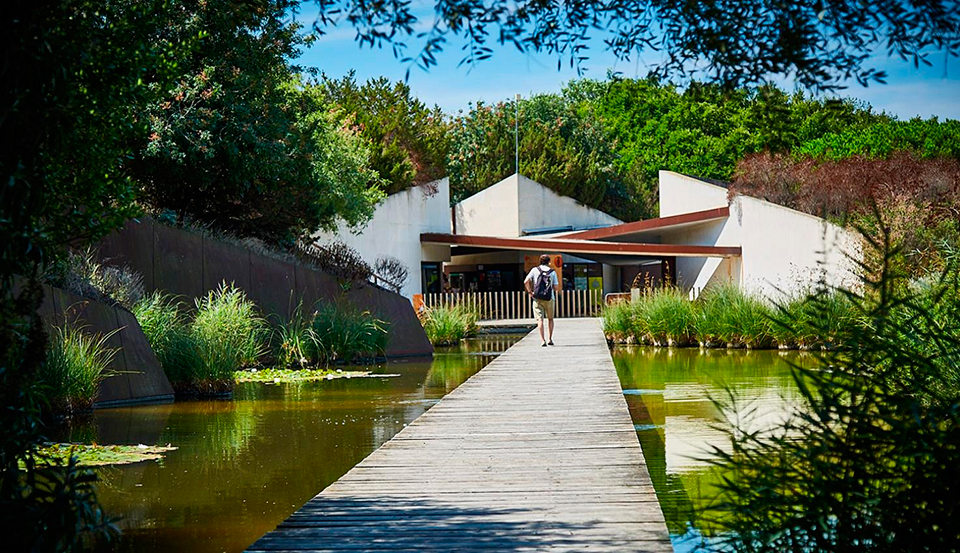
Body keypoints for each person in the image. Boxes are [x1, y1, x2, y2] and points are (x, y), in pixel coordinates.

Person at [524, 254, 560, 347]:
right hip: (549, 298)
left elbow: (526, 281)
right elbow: (556, 287)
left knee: (540, 319)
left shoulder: (534, 270)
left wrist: (530, 292)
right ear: (549, 262)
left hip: (537, 298)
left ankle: (542, 340)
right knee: (550, 319)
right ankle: (550, 339)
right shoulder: (552, 272)